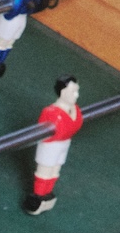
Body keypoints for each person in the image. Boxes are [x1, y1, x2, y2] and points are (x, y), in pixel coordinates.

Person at [24, 75, 83, 214]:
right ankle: (38, 196)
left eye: (77, 90)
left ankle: (47, 193)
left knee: (55, 170)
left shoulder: (75, 109)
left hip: (64, 143)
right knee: (45, 171)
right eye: (73, 91)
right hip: (50, 146)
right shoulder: (51, 112)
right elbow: (42, 130)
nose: (76, 95)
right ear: (62, 92)